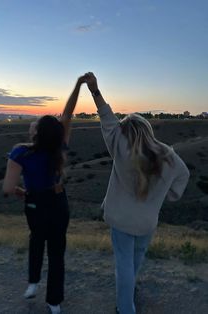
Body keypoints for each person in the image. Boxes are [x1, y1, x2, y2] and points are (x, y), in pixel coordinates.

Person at [84, 72, 190, 314]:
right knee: (135, 262)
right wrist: (167, 195)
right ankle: (128, 297)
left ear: (125, 131)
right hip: (146, 222)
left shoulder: (121, 147)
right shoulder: (167, 155)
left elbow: (107, 120)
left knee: (124, 265)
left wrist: (95, 91)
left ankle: (125, 308)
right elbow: (184, 176)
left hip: (121, 221)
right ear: (147, 129)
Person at [3, 75, 86, 314]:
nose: (32, 123)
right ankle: (54, 302)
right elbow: (68, 115)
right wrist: (79, 85)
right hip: (59, 203)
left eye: (35, 122)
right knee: (57, 251)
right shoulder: (59, 148)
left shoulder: (20, 152)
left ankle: (33, 282)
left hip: (35, 203)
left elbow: (8, 189)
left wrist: (22, 192)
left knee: (36, 239)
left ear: (36, 133)